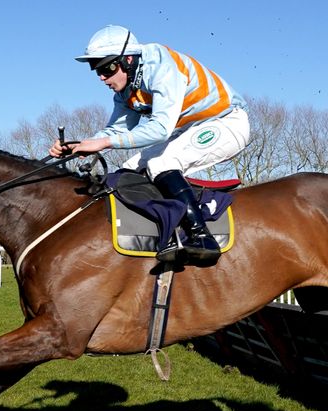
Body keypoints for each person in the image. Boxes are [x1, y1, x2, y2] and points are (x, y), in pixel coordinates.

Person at [49, 25, 250, 263]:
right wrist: (80, 145)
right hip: (188, 130)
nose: (102, 77)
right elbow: (117, 130)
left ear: (128, 59)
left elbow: (161, 130)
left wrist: (102, 143)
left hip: (227, 122)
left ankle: (201, 236)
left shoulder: (162, 67)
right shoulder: (126, 90)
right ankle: (161, 233)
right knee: (128, 172)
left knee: (161, 164)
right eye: (96, 69)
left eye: (106, 68)